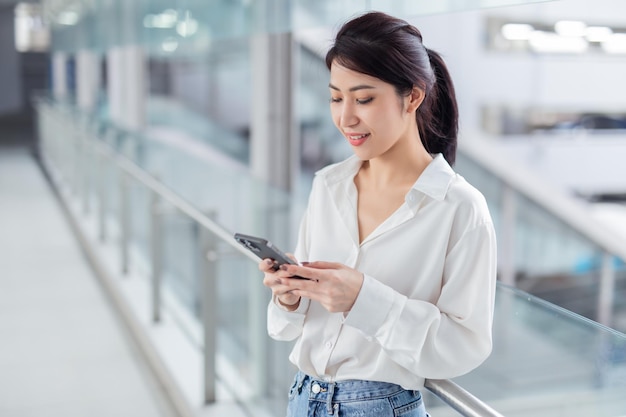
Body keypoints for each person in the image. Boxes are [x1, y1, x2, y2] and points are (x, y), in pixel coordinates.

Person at [259, 10, 497, 417]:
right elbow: (290, 328)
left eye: (364, 99)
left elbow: (464, 345)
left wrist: (363, 299)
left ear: (414, 96)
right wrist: (289, 297)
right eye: (336, 97)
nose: (345, 117)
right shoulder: (328, 186)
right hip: (302, 397)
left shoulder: (459, 208)